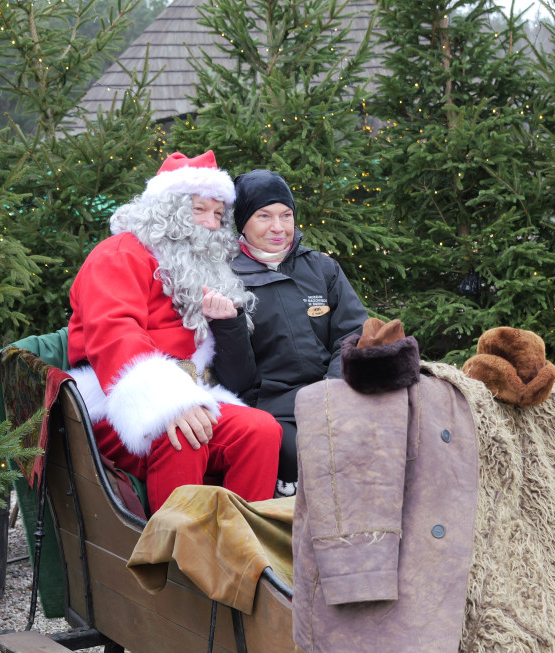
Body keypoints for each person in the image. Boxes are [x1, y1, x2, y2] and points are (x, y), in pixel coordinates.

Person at [66, 151, 281, 513]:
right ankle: (175, 559)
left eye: (217, 214)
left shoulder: (197, 265)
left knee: (261, 430)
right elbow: (114, 330)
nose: (211, 225)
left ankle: (243, 551)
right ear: (168, 207)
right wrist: (167, 404)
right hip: (121, 401)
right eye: (199, 210)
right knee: (182, 434)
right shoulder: (119, 253)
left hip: (195, 392)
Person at [212, 169, 368, 497]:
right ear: (242, 221)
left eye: (286, 215)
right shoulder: (226, 278)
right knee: (309, 453)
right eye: (264, 216)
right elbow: (237, 380)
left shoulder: (321, 269)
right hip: (270, 405)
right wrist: (229, 325)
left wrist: (334, 387)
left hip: (330, 392)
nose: (278, 227)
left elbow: (352, 331)